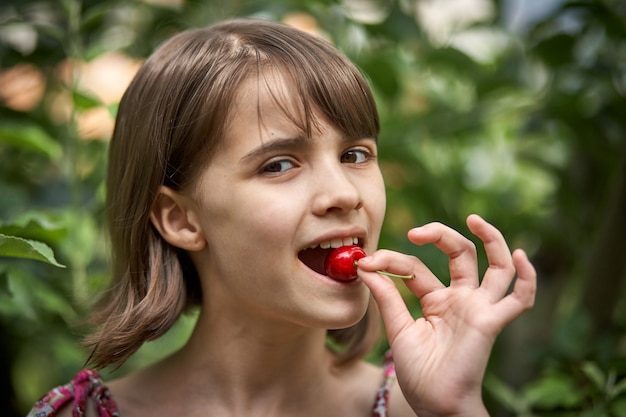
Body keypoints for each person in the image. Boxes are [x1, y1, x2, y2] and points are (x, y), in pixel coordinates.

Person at [27, 18, 536, 417]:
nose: (343, 193)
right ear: (180, 219)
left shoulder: (421, 411)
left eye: (356, 155)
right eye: (279, 164)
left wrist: (453, 411)